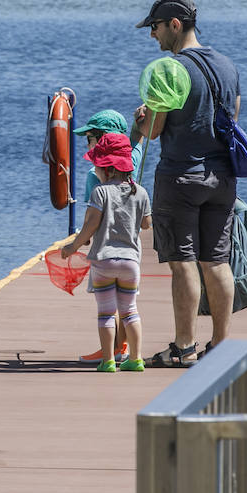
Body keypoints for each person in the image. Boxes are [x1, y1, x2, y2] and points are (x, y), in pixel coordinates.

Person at [132, 0, 241, 367]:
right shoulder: (226, 65)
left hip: (180, 175)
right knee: (216, 261)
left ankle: (183, 346)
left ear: (175, 25)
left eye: (156, 28)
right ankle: (222, 344)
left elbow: (155, 129)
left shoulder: (170, 69)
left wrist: (141, 120)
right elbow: (234, 119)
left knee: (183, 262)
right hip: (223, 177)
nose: (153, 37)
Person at [59, 133, 151, 372]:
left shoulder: (100, 192)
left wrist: (73, 247)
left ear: (108, 169)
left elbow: (91, 224)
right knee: (130, 310)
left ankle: (108, 360)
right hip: (131, 261)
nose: (95, 170)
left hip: (104, 261)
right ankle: (136, 359)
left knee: (106, 313)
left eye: (97, 166)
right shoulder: (140, 192)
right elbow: (146, 224)